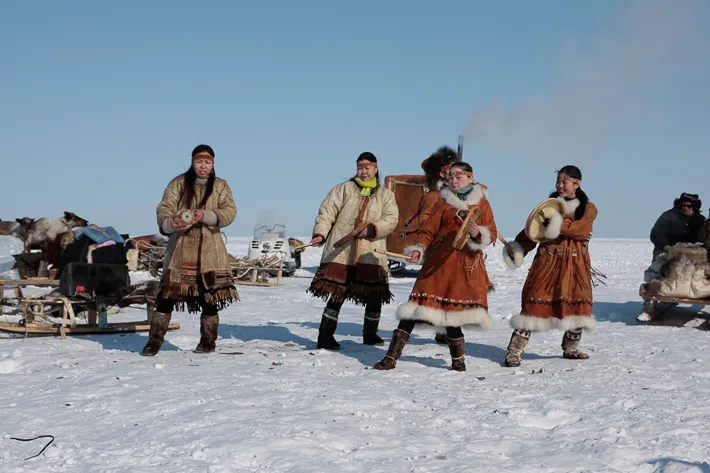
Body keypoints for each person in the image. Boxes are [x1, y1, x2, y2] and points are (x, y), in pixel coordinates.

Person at [374, 162, 497, 371]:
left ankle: (458, 360)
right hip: (437, 264)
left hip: (464, 266)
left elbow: (491, 233)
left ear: (470, 177)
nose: (453, 181)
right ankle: (391, 357)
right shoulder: (442, 202)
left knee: (453, 312)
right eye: (450, 177)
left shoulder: (482, 204)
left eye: (458, 177)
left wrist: (478, 233)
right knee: (413, 309)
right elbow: (428, 231)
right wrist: (418, 248)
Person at [141, 144, 239, 356]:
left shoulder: (221, 186)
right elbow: (165, 208)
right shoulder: (178, 184)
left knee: (209, 297)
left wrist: (206, 215)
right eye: (199, 161)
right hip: (180, 249)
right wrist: (171, 223)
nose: (203, 166)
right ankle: (154, 341)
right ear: (192, 162)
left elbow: (229, 212)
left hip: (210, 251)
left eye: (207, 162)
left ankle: (208, 341)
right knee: (167, 296)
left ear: (213, 163)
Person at [501, 165, 597, 367]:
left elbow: (581, 230)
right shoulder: (547, 207)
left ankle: (571, 348)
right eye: (558, 181)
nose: (560, 185)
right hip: (547, 264)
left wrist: (556, 225)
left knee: (579, 305)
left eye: (564, 181)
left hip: (575, 266)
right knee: (533, 305)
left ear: (576, 183)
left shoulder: (588, 208)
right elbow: (531, 231)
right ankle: (514, 351)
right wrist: (518, 248)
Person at [307, 152, 399, 350]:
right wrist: (320, 233)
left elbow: (391, 219)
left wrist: (373, 229)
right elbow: (327, 212)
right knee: (337, 292)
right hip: (341, 252)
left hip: (371, 252)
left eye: (367, 168)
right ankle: (325, 336)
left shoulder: (386, 195)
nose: (363, 172)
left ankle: (370, 334)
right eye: (360, 168)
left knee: (375, 294)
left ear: (375, 169)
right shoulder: (343, 189)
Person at [650, 193, 706, 260]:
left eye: (689, 206)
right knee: (661, 266)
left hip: (694, 254)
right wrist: (666, 247)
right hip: (667, 252)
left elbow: (704, 238)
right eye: (683, 205)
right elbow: (655, 234)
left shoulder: (701, 220)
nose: (685, 208)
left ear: (694, 207)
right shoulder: (668, 216)